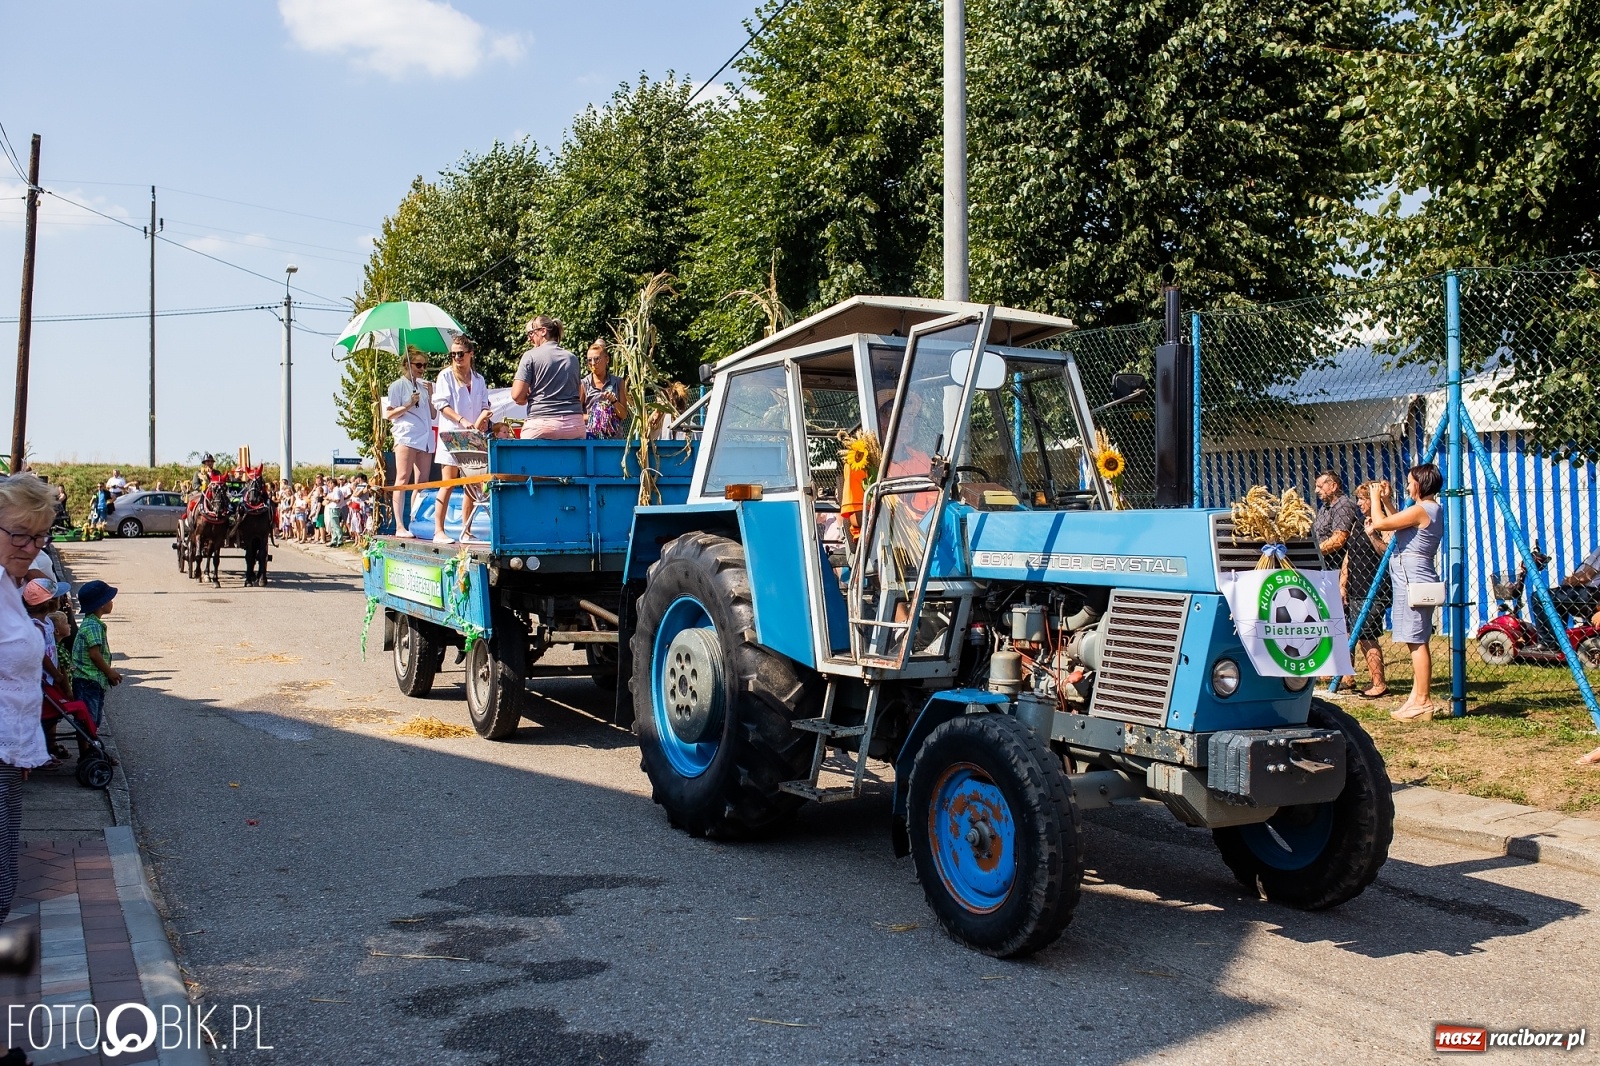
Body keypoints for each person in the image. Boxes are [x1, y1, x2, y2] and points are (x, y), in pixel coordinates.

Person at [0, 474, 58, 930]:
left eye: (39, 537)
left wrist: (20, 748)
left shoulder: (7, 583)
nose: (30, 547)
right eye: (20, 534)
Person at [1366, 463, 1443, 721]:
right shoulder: (1426, 509)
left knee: (1417, 642)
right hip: (1411, 580)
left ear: (1420, 484)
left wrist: (1375, 498)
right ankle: (1415, 697)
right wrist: (1387, 501)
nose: (1408, 486)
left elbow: (1381, 524)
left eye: (1410, 482)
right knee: (1415, 640)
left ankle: (1423, 702)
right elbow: (1399, 524)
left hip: (1415, 582)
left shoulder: (1423, 509)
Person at [432, 334, 492, 543]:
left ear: (470, 354)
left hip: (473, 436)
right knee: (448, 482)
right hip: (452, 434)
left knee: (472, 484)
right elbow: (441, 405)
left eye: (460, 354)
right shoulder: (445, 376)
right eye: (453, 354)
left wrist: (483, 418)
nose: (457, 358)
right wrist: (462, 420)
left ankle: (466, 530)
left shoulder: (479, 379)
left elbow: (484, 405)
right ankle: (438, 530)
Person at [1340, 480, 1393, 699]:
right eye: (1359, 499)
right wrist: (1343, 581)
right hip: (1355, 587)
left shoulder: (1385, 522)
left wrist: (1372, 534)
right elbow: (1349, 554)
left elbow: (1387, 553)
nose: (1359, 503)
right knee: (1355, 633)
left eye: (1363, 499)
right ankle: (1349, 677)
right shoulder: (1358, 522)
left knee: (1366, 634)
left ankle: (1379, 683)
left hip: (1374, 587)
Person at [382, 349, 436, 538]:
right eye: (418, 365)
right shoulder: (397, 386)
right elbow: (389, 414)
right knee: (403, 479)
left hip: (425, 436)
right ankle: (399, 526)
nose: (422, 369)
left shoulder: (423, 386)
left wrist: (431, 395)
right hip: (406, 436)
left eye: (425, 365)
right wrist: (408, 404)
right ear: (407, 365)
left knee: (422, 483)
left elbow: (433, 414)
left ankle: (415, 522)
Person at [511, 316, 585, 440]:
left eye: (531, 333)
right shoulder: (572, 358)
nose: (529, 338)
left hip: (542, 424)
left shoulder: (530, 356)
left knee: (523, 450)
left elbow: (516, 395)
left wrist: (526, 397)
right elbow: (579, 393)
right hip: (575, 426)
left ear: (543, 331)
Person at [70, 579, 120, 728]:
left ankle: (89, 741)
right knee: (88, 719)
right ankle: (86, 742)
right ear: (101, 604)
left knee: (92, 718)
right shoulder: (93, 626)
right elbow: (94, 655)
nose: (112, 602)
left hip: (92, 679)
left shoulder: (90, 623)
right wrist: (110, 672)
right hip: (88, 679)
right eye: (109, 599)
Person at [580, 338, 629, 439]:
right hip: (591, 441)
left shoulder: (618, 382)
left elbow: (624, 415)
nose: (593, 363)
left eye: (597, 359)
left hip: (614, 441)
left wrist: (614, 401)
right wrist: (596, 417)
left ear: (607, 359)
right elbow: (576, 415)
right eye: (589, 360)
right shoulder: (583, 384)